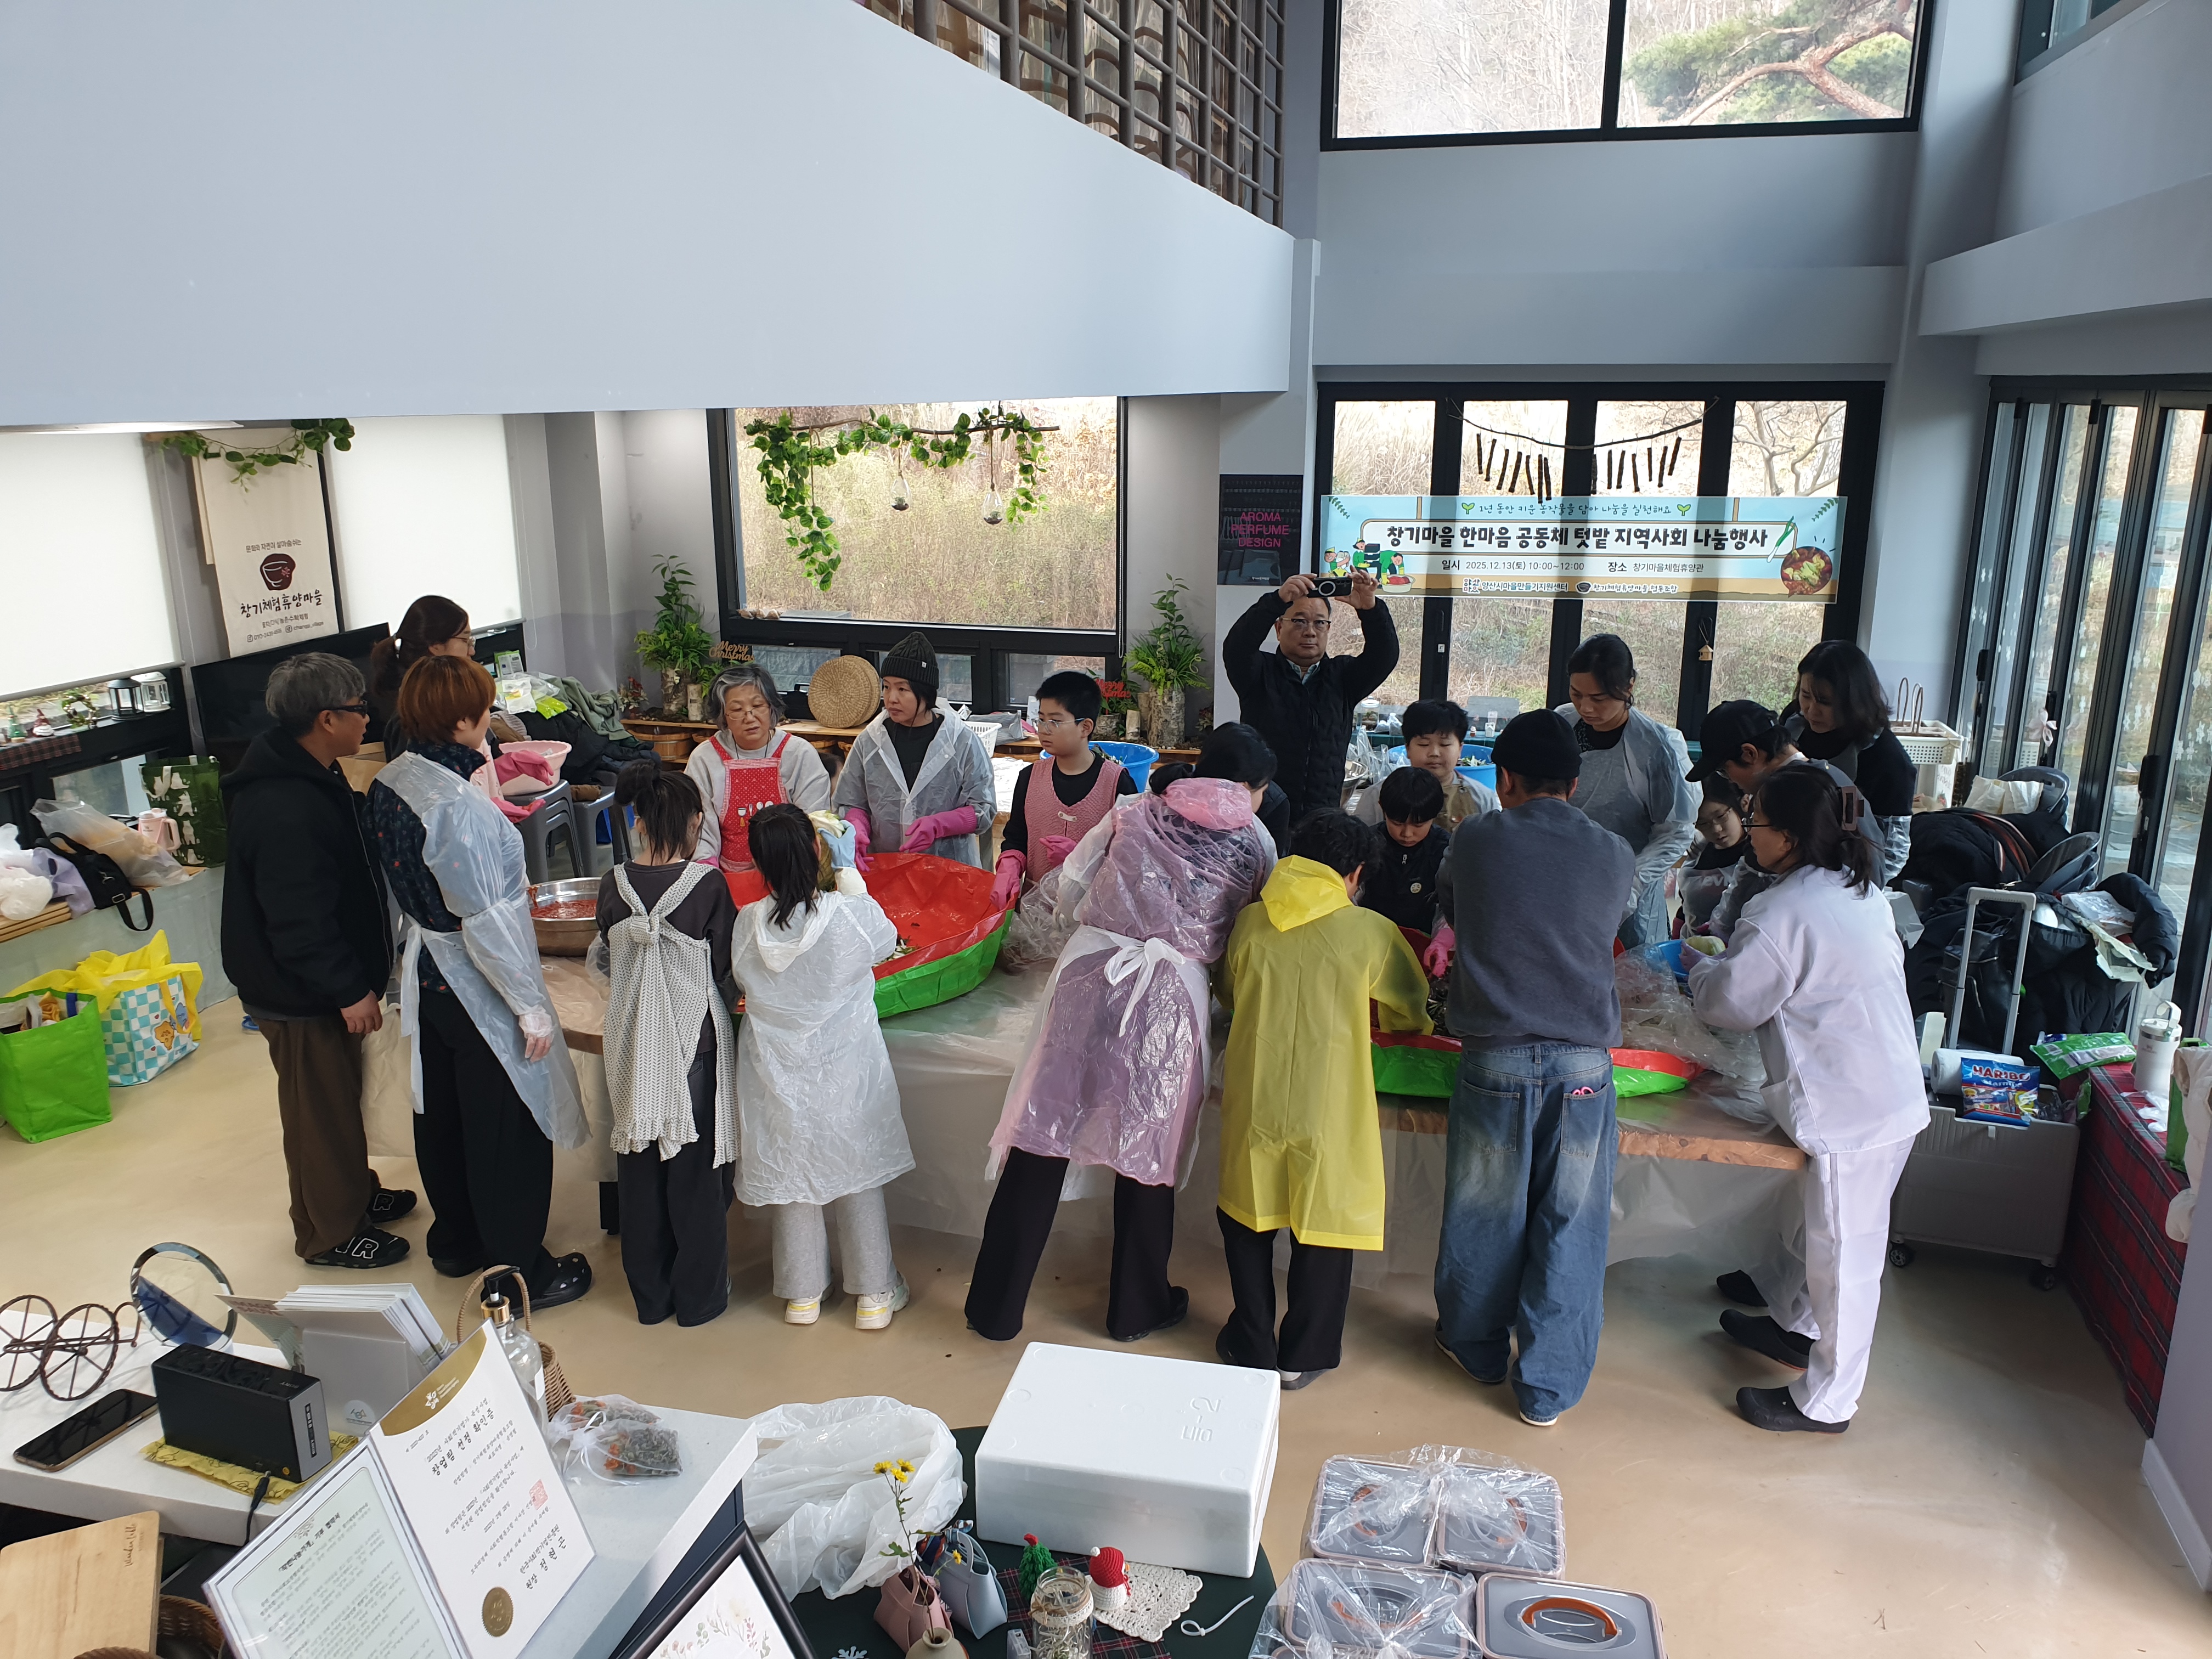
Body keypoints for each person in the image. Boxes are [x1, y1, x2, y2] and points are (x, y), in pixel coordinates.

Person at [970, 724, 1278, 1342]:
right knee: (1148, 1149)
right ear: (1253, 787)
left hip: (1090, 972)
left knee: (1043, 1132)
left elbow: (1071, 889)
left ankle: (996, 1309)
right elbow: (1246, 929)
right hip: (1173, 994)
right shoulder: (1256, 840)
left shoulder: (1133, 810)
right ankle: (1136, 1308)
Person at [1688, 766, 1928, 1434]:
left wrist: (1701, 968)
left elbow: (1733, 1006)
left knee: (1844, 1255)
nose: (1750, 833)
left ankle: (1828, 1402)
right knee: (1818, 1232)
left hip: (1854, 1107)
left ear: (1789, 837)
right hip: (1879, 1088)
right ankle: (1797, 1330)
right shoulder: (1856, 888)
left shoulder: (1784, 912)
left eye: (1757, 822)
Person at [369, 654, 594, 1308]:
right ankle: (518, 1273)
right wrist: (527, 1005)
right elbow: (486, 917)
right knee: (503, 1126)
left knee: (444, 1117)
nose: (491, 720)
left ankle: (457, 1241)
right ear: (463, 719)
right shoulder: (455, 807)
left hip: (428, 975)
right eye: (485, 710)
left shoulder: (395, 777)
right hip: (475, 981)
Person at [1430, 711, 1634, 1427]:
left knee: (1485, 1212)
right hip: (1585, 1066)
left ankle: (1478, 1348)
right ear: (1575, 785)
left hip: (1496, 1057)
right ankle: (1549, 1387)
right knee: (1573, 1222)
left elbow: (1453, 903)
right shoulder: (1615, 852)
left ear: (1505, 779)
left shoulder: (1477, 838)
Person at [1217, 810, 1431, 1390]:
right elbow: (1409, 1011)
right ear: (1355, 873)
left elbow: (1229, 992)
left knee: (1247, 1218)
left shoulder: (1250, 922)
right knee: (1325, 1223)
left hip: (1257, 1093)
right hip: (1331, 1102)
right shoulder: (1371, 932)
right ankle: (1302, 1355)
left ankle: (1251, 1342)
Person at [221, 653, 414, 1269]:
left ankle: (354, 1193)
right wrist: (347, 989)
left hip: (320, 980)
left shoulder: (312, 773)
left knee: (339, 1098)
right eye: (360, 709)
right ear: (327, 718)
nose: (368, 719)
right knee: (318, 1112)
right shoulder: (282, 805)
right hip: (299, 990)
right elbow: (297, 919)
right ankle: (329, 1233)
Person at [730, 803, 915, 1328]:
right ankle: (875, 1293)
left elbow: (744, 980)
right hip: (845, 1074)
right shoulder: (845, 917)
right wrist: (850, 871)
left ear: (758, 864)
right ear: (819, 851)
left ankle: (803, 1294)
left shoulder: (748, 925)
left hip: (777, 1075)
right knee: (856, 1172)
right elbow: (885, 940)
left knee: (793, 1175)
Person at [596, 761, 740, 1327]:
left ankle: (651, 1299)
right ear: (696, 822)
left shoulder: (612, 884)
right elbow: (727, 968)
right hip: (692, 1048)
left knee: (639, 1173)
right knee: (695, 1176)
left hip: (631, 1047)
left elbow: (606, 957)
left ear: (639, 822)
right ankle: (700, 1301)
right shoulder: (707, 886)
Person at [1554, 634, 1695, 948]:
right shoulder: (1562, 724)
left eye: (1600, 698)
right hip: (1565, 874)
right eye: (1577, 694)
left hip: (1629, 884)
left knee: (1629, 968)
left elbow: (1676, 832)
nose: (1586, 707)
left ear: (1629, 686)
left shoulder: (1658, 746)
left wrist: (1630, 886)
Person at [1222, 571, 1398, 822]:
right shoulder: (1259, 673)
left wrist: (1371, 610)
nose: (1310, 632)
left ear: (1328, 629)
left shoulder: (1344, 677)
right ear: (1279, 628)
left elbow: (1384, 656)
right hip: (1263, 813)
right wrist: (1276, 601)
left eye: (1319, 623)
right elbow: (1237, 646)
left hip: (1323, 816)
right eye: (1299, 621)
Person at [1685, 699, 1861, 941]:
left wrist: (1723, 931)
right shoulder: (1820, 779)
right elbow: (1751, 869)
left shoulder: (1800, 794)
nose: (1729, 780)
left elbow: (1754, 876)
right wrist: (1721, 927)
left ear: (1749, 754)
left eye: (1724, 771)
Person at [834, 631, 996, 866]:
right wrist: (857, 826)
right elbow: (852, 802)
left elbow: (983, 809)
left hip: (948, 869)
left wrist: (939, 825)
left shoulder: (961, 741)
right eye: (887, 687)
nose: (891, 698)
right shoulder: (870, 740)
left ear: (926, 693)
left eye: (902, 689)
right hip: (885, 866)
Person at [684, 662, 834, 906]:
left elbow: (813, 822)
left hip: (790, 882)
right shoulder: (705, 758)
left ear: (772, 707)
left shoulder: (799, 754)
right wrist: (709, 878)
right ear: (723, 716)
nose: (750, 717)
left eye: (757, 706)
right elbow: (701, 826)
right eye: (737, 710)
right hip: (729, 883)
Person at [989, 670, 1138, 909]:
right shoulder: (1029, 778)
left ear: (1085, 727)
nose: (1044, 729)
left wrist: (1081, 860)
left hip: (1092, 914)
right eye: (1041, 720)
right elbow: (1017, 838)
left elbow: (1131, 859)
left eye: (1055, 722)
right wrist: (1009, 866)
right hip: (1034, 909)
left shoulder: (1117, 784)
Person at [1787, 640, 1916, 882]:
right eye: (1805, 696)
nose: (1811, 710)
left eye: (1825, 702)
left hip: (1847, 876)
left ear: (1855, 701)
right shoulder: (1793, 726)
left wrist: (1851, 889)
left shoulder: (1888, 760)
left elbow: (1891, 854)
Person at [1352, 699, 1497, 832]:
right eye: (1424, 744)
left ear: (1460, 749)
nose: (1434, 753)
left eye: (1445, 744)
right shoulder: (1376, 796)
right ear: (1408, 749)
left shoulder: (1483, 798)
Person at [369, 594, 477, 755]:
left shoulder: (449, 699)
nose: (472, 651)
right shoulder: (413, 721)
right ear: (436, 646)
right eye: (465, 640)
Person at [1358, 767, 1449, 935]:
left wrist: (1442, 938)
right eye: (1397, 823)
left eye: (1418, 825)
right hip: (1371, 933)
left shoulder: (1444, 850)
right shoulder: (1366, 844)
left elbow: (1450, 904)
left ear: (1435, 815)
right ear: (1382, 808)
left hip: (1424, 937)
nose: (1407, 834)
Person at [1678, 783, 1752, 934]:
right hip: (1696, 944)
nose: (1716, 829)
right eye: (1703, 823)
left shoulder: (1758, 855)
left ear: (1741, 805)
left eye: (1720, 816)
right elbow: (1687, 908)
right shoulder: (1698, 856)